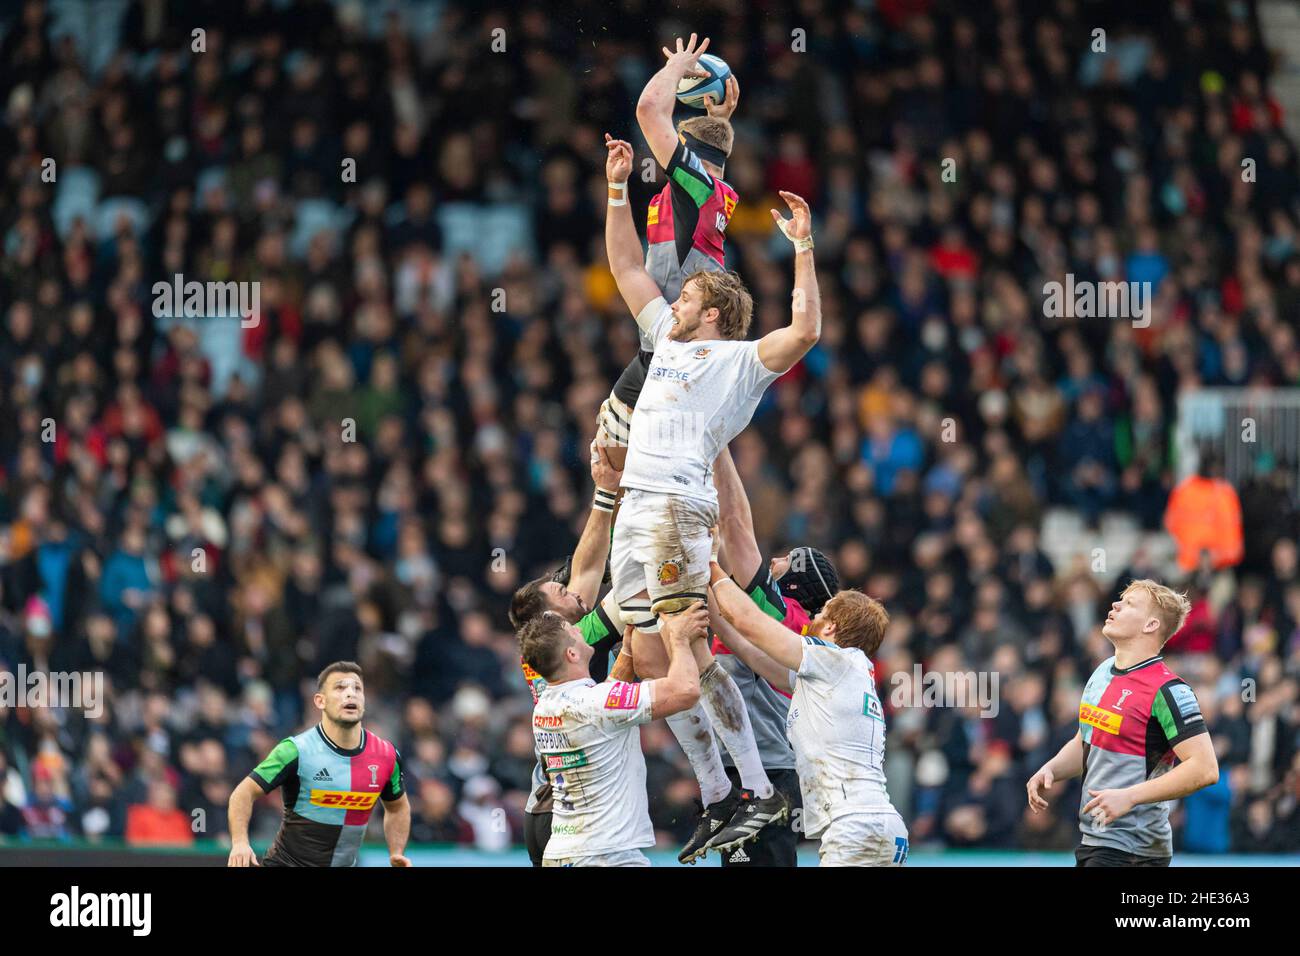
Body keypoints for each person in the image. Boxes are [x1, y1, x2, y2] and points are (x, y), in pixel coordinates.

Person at [601, 97, 820, 854]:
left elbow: (804, 333)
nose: (676, 294)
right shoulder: (665, 339)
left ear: (713, 313)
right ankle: (722, 793)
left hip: (673, 509)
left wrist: (802, 248)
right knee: (654, 649)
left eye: (689, 293)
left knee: (688, 651)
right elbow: (628, 267)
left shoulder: (734, 360)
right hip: (637, 507)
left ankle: (749, 791)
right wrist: (614, 191)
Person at [595, 33, 741, 471]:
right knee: (610, 461)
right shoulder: (713, 194)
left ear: (684, 151)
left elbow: (647, 110)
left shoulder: (693, 188)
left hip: (681, 354)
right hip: (660, 343)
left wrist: (677, 64)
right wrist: (617, 188)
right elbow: (626, 266)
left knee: (645, 477)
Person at [707, 559, 909, 866]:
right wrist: (706, 600)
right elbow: (749, 650)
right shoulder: (843, 672)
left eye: (820, 615)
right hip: (882, 827)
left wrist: (709, 565)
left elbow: (749, 622)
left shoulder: (832, 659)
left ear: (830, 628)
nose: (811, 620)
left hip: (853, 827)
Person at [1026, 579, 1219, 866]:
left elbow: (1205, 769)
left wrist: (1129, 797)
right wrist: (1052, 768)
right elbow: (1085, 740)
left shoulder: (1169, 691)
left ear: (1151, 625)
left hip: (1134, 851)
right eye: (1120, 600)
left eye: (1129, 604)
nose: (1115, 605)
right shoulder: (1103, 671)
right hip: (1094, 841)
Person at [509, 442, 634, 865]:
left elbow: (587, 569)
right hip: (559, 817)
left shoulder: (552, 640)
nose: (578, 593)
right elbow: (622, 593)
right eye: (563, 594)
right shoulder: (574, 636)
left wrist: (606, 495)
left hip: (547, 808)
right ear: (550, 617)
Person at [521, 603, 709, 866]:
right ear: (572, 654)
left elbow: (605, 704)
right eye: (571, 631)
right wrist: (679, 638)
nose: (578, 629)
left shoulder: (544, 707)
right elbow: (685, 690)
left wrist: (629, 651)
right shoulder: (596, 704)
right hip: (605, 855)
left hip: (564, 851)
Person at [226, 661, 410, 867]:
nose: (351, 693)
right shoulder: (295, 750)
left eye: (357, 688)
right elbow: (243, 792)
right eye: (340, 687)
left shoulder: (386, 755)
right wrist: (240, 842)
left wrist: (396, 851)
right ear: (320, 701)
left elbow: (397, 807)